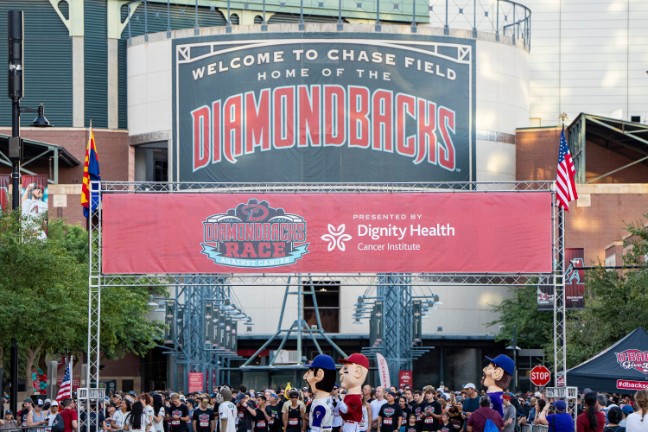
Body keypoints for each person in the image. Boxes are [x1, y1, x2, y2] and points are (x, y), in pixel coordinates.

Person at [303, 355, 336, 432]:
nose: (305, 377)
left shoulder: (320, 404)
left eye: (309, 372)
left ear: (319, 374)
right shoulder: (328, 399)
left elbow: (315, 429)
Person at [338, 354, 369, 432]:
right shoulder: (348, 396)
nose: (340, 371)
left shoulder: (356, 397)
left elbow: (346, 410)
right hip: (346, 424)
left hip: (352, 425)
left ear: (358, 372)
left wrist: (339, 399)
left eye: (345, 369)